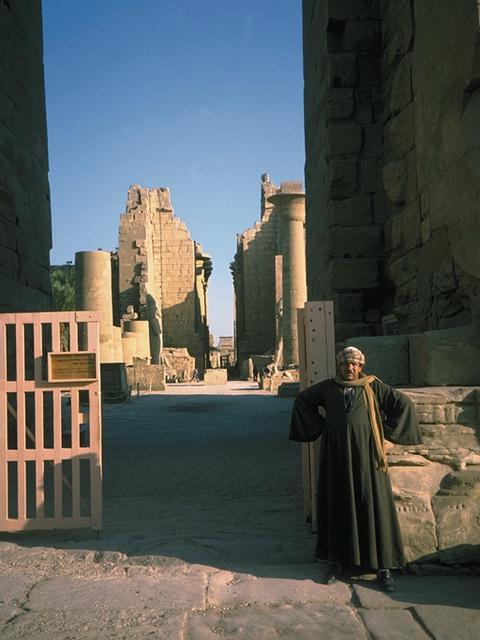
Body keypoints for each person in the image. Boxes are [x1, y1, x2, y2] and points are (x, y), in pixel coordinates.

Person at [290, 346, 422, 592]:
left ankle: (383, 565)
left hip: (368, 459)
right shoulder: (329, 388)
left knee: (373, 504)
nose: (349, 368)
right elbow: (303, 400)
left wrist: (388, 437)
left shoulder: (373, 387)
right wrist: (323, 426)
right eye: (345, 364)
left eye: (354, 364)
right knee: (337, 503)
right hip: (337, 456)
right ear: (339, 366)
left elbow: (402, 404)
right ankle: (336, 562)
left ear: (361, 366)